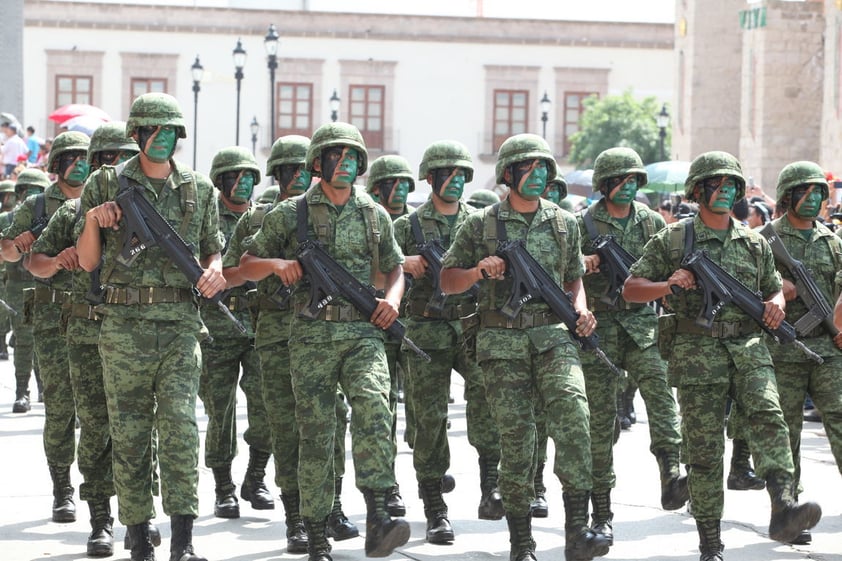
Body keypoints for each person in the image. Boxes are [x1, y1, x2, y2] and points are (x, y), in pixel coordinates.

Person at [623, 151, 822, 561]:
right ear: (697, 191)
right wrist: (668, 285)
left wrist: (775, 305)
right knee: (705, 449)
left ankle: (784, 504)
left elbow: (771, 288)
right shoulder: (675, 239)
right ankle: (710, 542)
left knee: (770, 418)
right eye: (717, 184)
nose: (725, 190)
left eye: (732, 185)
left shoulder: (752, 240)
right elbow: (631, 288)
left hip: (749, 347)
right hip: (697, 352)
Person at [239, 122, 410, 561]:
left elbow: (395, 268)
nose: (345, 164)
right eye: (337, 156)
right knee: (316, 433)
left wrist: (392, 299)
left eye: (353, 157)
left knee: (375, 406)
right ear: (318, 163)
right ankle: (315, 533)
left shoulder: (373, 212)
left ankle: (378, 517)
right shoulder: (290, 214)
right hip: (311, 335)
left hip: (362, 329)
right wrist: (278, 264)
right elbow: (246, 263)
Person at [441, 133, 610, 561]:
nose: (536, 177)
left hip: (555, 335)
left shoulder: (563, 222)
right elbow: (447, 281)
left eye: (542, 169)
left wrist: (582, 310)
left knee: (575, 420)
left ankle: (577, 533)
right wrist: (480, 270)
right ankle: (521, 543)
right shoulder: (481, 224)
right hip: (502, 342)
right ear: (508, 175)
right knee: (517, 438)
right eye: (527, 169)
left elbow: (574, 279)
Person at [76, 92, 225, 561]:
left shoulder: (199, 189)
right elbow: (87, 262)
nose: (161, 140)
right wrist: (94, 223)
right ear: (136, 134)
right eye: (152, 131)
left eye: (170, 132)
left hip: (181, 324)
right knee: (131, 433)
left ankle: (183, 537)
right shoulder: (105, 183)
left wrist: (216, 268)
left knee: (181, 425)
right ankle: (138, 532)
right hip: (122, 327)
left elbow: (211, 249)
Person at [27, 122, 140, 557]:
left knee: (136, 430)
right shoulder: (71, 213)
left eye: (123, 159)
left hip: (135, 336)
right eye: (107, 160)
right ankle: (100, 518)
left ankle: (137, 516)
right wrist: (55, 260)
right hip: (86, 335)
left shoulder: (155, 210)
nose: (116, 167)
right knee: (94, 425)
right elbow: (34, 261)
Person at [576, 147, 687, 545]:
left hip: (642, 324)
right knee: (600, 422)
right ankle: (601, 512)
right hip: (600, 328)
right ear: (604, 185)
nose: (627, 187)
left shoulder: (651, 221)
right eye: (619, 181)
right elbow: (559, 270)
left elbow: (672, 262)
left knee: (661, 396)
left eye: (632, 181)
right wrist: (584, 262)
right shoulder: (583, 223)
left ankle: (672, 474)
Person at [393, 141, 502, 544]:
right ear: (430, 179)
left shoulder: (480, 223)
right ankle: (435, 507)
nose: (455, 182)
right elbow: (377, 271)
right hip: (426, 328)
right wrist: (401, 263)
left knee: (489, 400)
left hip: (472, 326)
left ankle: (491, 484)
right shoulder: (407, 227)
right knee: (429, 419)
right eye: (447, 175)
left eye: (461, 175)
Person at [1, 131, 90, 525]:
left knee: (100, 411)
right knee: (60, 411)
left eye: (83, 157)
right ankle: (62, 489)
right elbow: (6, 250)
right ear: (56, 165)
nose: (78, 164)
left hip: (97, 320)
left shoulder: (102, 201)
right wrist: (23, 244)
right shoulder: (38, 205)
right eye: (70, 158)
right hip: (53, 322)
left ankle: (99, 489)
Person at [761, 161, 842, 545]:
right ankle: (786, 513)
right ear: (787, 197)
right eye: (804, 193)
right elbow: (746, 284)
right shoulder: (765, 239)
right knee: (786, 431)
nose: (813, 200)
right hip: (785, 350)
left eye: (818, 193)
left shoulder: (832, 241)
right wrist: (778, 286)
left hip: (829, 349)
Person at [200, 146, 274, 520]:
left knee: (268, 406)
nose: (243, 184)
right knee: (220, 412)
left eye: (249, 177)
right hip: (215, 328)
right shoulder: (203, 218)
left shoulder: (264, 219)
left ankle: (256, 475)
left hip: (258, 327)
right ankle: (223, 486)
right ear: (220, 181)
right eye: (236, 177)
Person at [365, 154, 415, 517]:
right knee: (384, 409)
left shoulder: (415, 223)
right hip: (376, 324)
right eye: (391, 184)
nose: (398, 191)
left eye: (404, 184)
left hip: (415, 324)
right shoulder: (368, 219)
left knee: (421, 409)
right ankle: (389, 485)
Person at [2, 168, 50, 412]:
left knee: (47, 340)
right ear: (19, 193)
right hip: (18, 288)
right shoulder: (7, 221)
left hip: (46, 285)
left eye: (37, 191)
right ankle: (23, 391)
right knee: (24, 341)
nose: (31, 195)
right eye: (27, 191)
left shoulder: (54, 215)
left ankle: (45, 387)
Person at [0, 179, 16, 360]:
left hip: (15, 273)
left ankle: (15, 336)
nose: (9, 199)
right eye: (6, 195)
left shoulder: (22, 215)